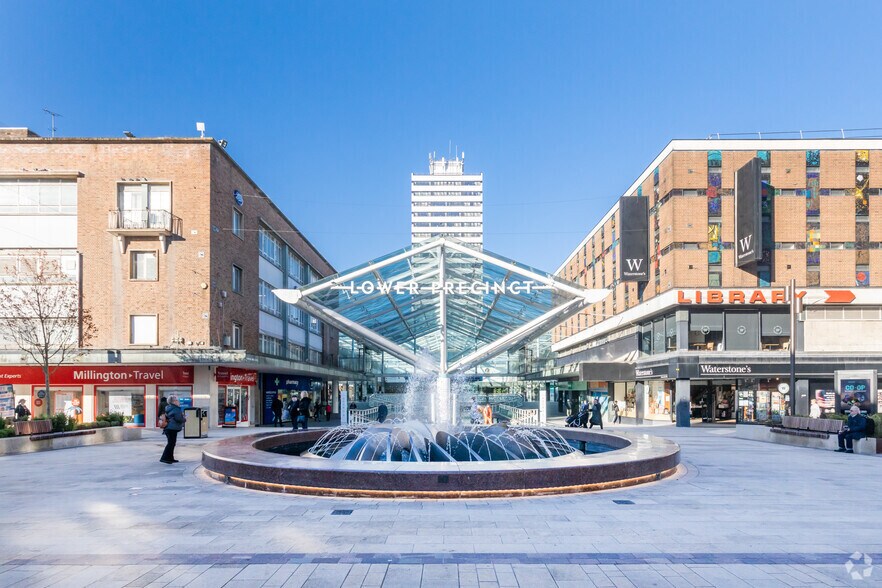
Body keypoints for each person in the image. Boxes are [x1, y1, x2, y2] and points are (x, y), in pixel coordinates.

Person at [160, 395, 184, 464]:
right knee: (171, 443)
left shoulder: (168, 407)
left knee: (171, 443)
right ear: (174, 401)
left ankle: (170, 458)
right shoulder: (176, 409)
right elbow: (178, 419)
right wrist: (184, 419)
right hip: (172, 428)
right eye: (177, 400)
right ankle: (164, 458)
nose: (178, 402)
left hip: (169, 428)